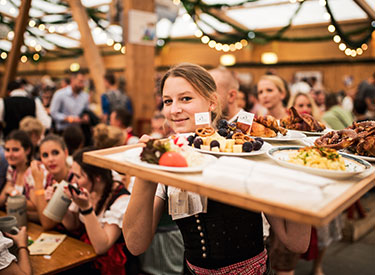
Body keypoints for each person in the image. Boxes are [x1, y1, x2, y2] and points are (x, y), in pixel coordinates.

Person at [123, 63, 311, 274]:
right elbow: (135, 244)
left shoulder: (245, 150)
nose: (174, 109)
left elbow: (296, 242)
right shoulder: (166, 155)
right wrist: (144, 168)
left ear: (212, 102)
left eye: (186, 98)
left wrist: (301, 170)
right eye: (168, 101)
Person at [62, 147, 132, 274]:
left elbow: (102, 246)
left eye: (78, 176)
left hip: (109, 266)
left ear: (97, 177)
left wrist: (86, 208)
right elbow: (72, 225)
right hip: (84, 256)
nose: (74, 181)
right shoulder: (88, 190)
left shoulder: (121, 200)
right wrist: (60, 202)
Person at [27, 134, 71, 228]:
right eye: (45, 155)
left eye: (55, 153)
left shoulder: (72, 179)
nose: (50, 159)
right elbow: (41, 211)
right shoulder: (49, 178)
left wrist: (38, 183)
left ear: (66, 153)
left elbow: (47, 223)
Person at [0, 130, 33, 208]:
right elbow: (1, 200)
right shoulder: (12, 170)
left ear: (27, 150)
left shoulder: (33, 171)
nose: (10, 154)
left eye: (15, 150)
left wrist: (14, 193)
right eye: (7, 150)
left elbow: (36, 207)